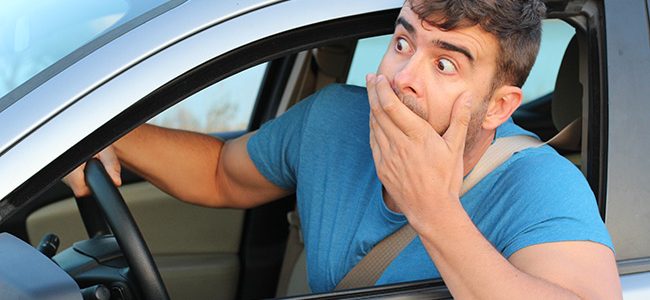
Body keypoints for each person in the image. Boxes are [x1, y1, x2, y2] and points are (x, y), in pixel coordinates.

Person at [64, 0, 622, 298]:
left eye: (445, 62)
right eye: (403, 42)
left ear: (499, 107)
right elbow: (219, 173)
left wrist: (432, 210)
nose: (403, 75)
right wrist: (99, 132)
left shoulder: (538, 185)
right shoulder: (335, 120)